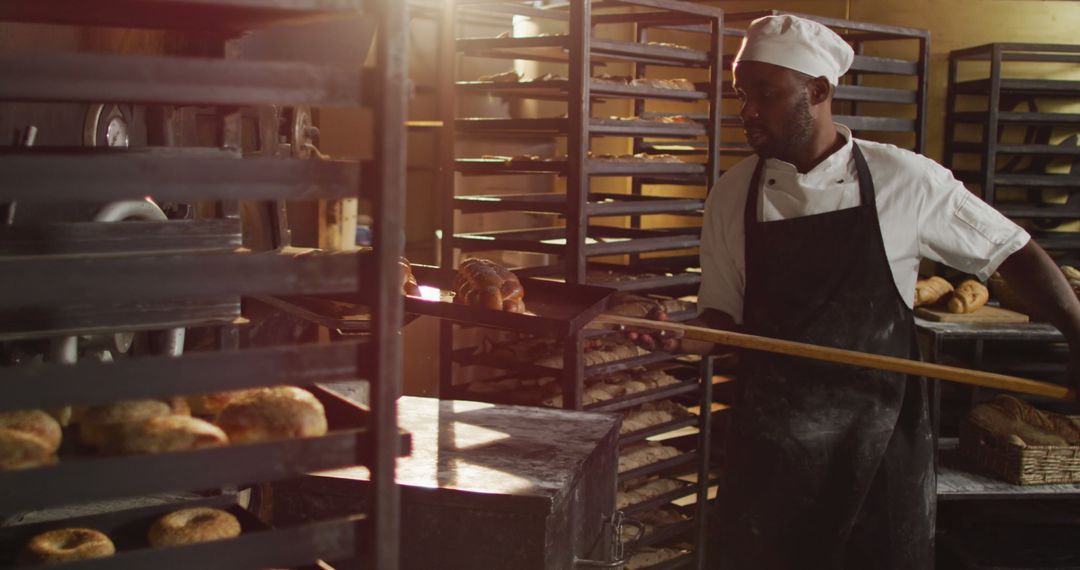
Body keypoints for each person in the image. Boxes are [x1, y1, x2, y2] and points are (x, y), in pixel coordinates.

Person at [685, 14, 1080, 569]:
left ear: (818, 90)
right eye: (741, 94)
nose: (747, 111)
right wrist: (685, 335)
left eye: (766, 94)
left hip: (880, 449)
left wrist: (1077, 332)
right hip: (774, 453)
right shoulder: (732, 195)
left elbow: (1011, 251)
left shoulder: (905, 180)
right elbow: (721, 316)